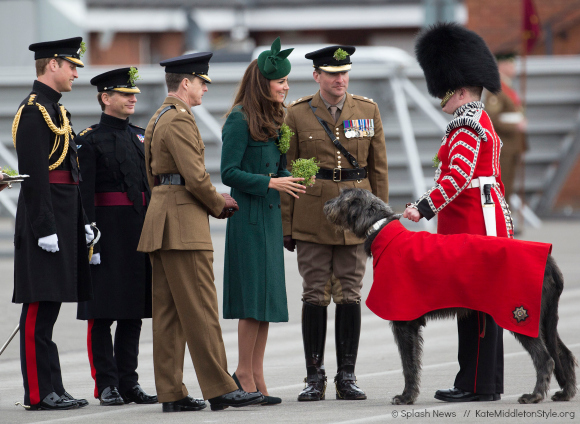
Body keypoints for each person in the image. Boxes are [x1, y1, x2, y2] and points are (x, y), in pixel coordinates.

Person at [137, 52, 264, 412]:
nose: (205, 88)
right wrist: (218, 203)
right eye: (202, 82)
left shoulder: (159, 116)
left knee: (169, 313)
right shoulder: (178, 119)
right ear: (186, 83)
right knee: (201, 308)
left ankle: (172, 392)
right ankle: (221, 388)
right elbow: (195, 176)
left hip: (162, 220)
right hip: (182, 225)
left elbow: (152, 176)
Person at [403, 22, 514, 402]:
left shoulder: (467, 124)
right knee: (477, 307)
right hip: (477, 222)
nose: (441, 97)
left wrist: (422, 208)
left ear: (461, 90)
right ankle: (484, 383)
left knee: (476, 308)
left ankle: (475, 384)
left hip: (473, 226)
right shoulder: (472, 122)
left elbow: (457, 176)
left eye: (445, 91)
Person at [281, 45, 389, 401]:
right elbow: (288, 171)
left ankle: (347, 375)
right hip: (313, 213)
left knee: (350, 293)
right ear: (317, 76)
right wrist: (287, 223)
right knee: (314, 293)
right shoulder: (296, 114)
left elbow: (378, 171)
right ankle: (314, 377)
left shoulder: (367, 109)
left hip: (357, 216)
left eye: (344, 72)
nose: (339, 79)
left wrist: (382, 222)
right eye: (332, 73)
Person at [221, 37, 305, 405]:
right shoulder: (239, 119)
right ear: (263, 83)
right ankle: (243, 371)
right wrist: (270, 182)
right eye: (280, 82)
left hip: (270, 219)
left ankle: (256, 372)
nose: (286, 87)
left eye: (286, 82)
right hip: (248, 219)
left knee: (267, 303)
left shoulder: (277, 118)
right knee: (251, 301)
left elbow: (280, 167)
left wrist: (296, 175)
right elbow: (228, 172)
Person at [12, 37, 93, 410]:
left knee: (50, 309)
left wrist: (82, 222)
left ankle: (53, 387)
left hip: (62, 217)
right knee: (37, 309)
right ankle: (37, 393)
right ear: (53, 65)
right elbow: (33, 177)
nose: (77, 72)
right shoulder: (33, 111)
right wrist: (44, 227)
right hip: (43, 222)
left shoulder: (56, 111)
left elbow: (71, 173)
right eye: (72, 65)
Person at [76, 67, 157, 406]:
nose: (133, 98)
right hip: (105, 233)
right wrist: (88, 234)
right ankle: (106, 384)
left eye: (133, 93)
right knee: (102, 313)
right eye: (125, 94)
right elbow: (84, 193)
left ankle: (129, 382)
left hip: (138, 231)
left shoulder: (140, 135)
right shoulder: (88, 139)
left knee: (132, 311)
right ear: (106, 98)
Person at [485, 51, 527, 209]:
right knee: (502, 188)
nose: (514, 68)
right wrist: (515, 126)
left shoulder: (507, 87)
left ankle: (505, 224)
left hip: (513, 145)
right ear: (501, 66)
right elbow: (492, 118)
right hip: (504, 146)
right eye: (510, 64)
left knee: (508, 188)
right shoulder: (497, 89)